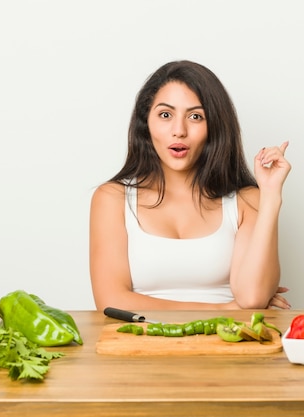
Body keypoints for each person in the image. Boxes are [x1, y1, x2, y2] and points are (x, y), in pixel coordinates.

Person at [90, 60, 291, 311]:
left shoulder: (247, 200)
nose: (179, 131)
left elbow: (252, 299)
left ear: (214, 127)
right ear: (146, 123)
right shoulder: (112, 199)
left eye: (196, 116)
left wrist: (271, 196)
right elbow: (110, 301)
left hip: (229, 342)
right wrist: (223, 309)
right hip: (141, 342)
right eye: (165, 115)